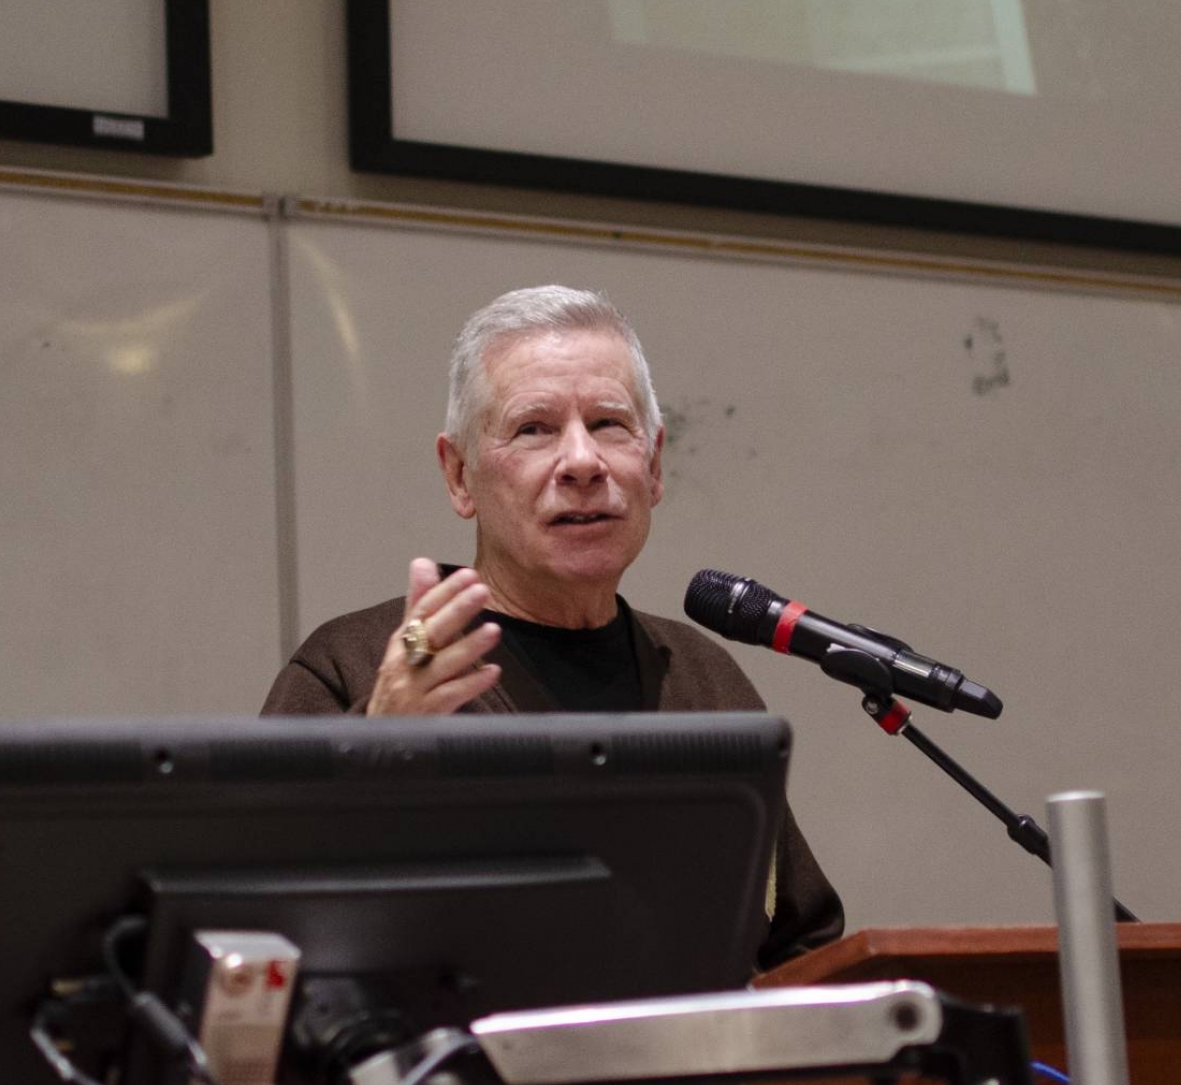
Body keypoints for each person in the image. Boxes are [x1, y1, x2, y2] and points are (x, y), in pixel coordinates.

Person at [261, 285, 843, 968]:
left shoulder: (702, 675)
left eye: (607, 424)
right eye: (534, 428)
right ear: (458, 475)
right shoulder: (352, 667)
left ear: (653, 465)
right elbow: (257, 939)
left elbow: (799, 949)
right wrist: (376, 751)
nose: (582, 462)